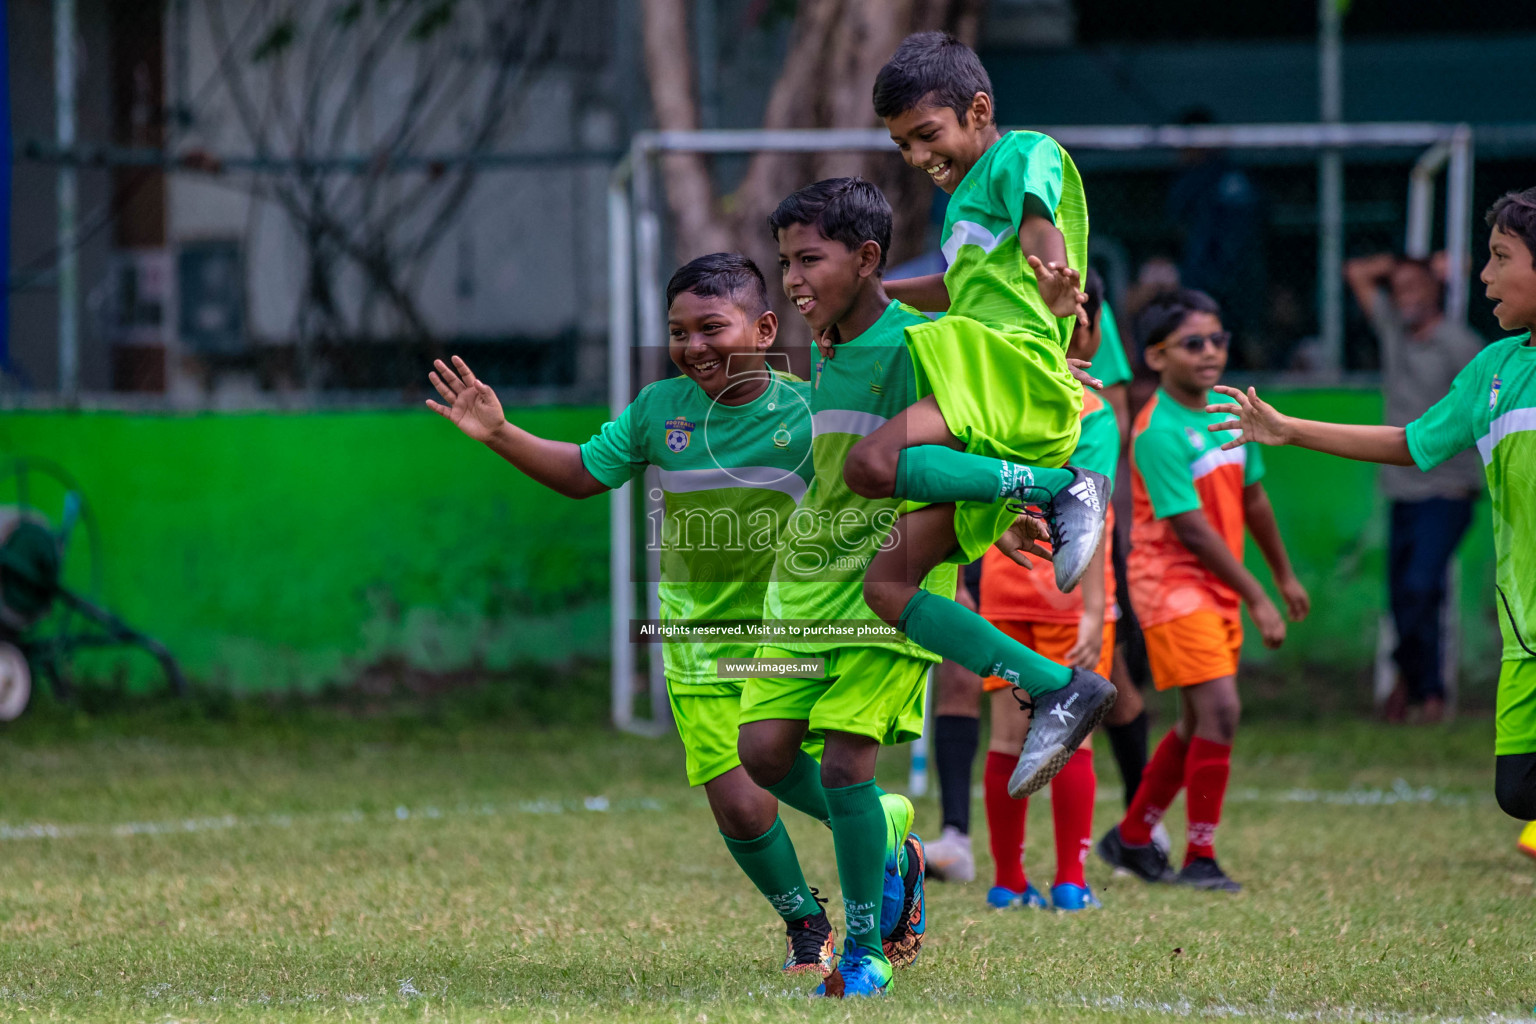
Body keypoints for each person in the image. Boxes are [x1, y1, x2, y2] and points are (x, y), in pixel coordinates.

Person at [425, 254, 841, 975]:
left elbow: (888, 473)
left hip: (797, 630)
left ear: (766, 328)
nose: (694, 347)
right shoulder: (658, 409)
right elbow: (586, 473)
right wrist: (499, 432)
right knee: (741, 806)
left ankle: (885, 851)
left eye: (712, 327)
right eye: (679, 332)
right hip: (698, 636)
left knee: (804, 772)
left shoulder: (814, 409)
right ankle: (805, 922)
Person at [1205, 187, 1536, 845]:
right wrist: (1288, 429)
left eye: (1500, 257)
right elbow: (1410, 443)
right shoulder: (1494, 371)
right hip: (1525, 628)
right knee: (1518, 792)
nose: (1483, 276)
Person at [839, 31, 1115, 807]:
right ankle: (1058, 689)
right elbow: (955, 289)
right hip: (997, 387)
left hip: (1011, 365)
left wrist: (1056, 276)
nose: (916, 154)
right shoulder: (961, 202)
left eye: (927, 135)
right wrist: (873, 297)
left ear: (978, 110)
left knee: (868, 464)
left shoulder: (1022, 151)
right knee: (890, 585)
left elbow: (1036, 219)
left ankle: (1067, 487)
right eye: (900, 144)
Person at [737, 178, 957, 998]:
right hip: (806, 584)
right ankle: (890, 836)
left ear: (868, 260)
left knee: (844, 769)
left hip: (890, 580)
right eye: (784, 261)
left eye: (809, 260)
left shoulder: (922, 345)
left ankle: (864, 951)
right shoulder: (823, 350)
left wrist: (1006, 511)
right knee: (762, 751)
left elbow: (962, 438)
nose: (792, 279)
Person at [1096, 288, 1310, 894]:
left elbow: (1254, 499)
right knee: (1221, 710)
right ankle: (1200, 858)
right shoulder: (1157, 430)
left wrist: (1284, 574)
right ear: (1157, 357)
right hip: (1172, 585)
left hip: (1217, 584)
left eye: (1219, 340)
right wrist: (1259, 596)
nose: (1212, 352)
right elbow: (1190, 530)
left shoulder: (1227, 411)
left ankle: (1133, 837)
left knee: (1198, 721)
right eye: (1194, 343)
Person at [976, 272, 1121, 913]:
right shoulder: (1094, 411)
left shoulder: (1001, 396)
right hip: (1068, 601)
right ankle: (1070, 883)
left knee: (1006, 738)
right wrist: (1094, 609)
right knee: (1075, 738)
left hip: (1004, 590)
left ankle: (1008, 882)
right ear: (1087, 328)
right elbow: (1090, 513)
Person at [1344, 252, 1484, 723]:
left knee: (1424, 587)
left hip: (1447, 490)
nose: (1404, 299)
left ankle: (1426, 690)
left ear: (1436, 291)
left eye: (1415, 289)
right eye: (1398, 290)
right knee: (1403, 594)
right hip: (1400, 489)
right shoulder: (1393, 334)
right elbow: (1357, 272)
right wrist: (1409, 266)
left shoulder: (1461, 345)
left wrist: (1435, 268)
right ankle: (1415, 682)